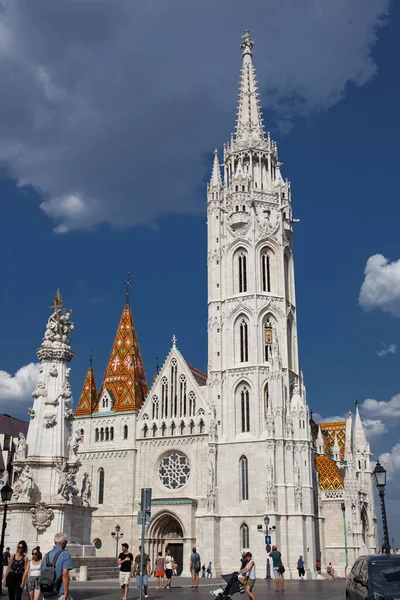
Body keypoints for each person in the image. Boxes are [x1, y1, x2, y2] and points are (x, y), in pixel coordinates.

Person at [42, 532, 73, 600]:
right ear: (64, 542)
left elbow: (42, 573)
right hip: (59, 593)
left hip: (47, 592)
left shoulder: (46, 555)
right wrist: (66, 592)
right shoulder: (65, 554)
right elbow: (65, 574)